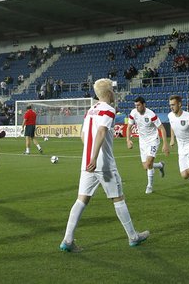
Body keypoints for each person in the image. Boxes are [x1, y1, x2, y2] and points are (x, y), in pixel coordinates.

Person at [59, 78, 149, 253]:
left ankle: (67, 240)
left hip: (87, 162)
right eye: (113, 91)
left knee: (81, 199)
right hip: (103, 163)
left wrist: (89, 157)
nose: (114, 93)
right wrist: (95, 157)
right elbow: (101, 131)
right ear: (109, 93)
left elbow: (83, 135)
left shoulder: (90, 110)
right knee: (118, 198)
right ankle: (133, 236)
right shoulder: (109, 110)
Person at [124, 96, 168, 194]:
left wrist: (165, 144)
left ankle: (149, 186)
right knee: (146, 166)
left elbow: (162, 128)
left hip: (153, 140)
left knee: (148, 164)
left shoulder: (151, 114)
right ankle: (160, 165)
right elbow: (129, 127)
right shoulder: (133, 113)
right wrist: (128, 140)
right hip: (142, 142)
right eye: (135, 105)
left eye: (138, 105)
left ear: (144, 105)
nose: (137, 107)